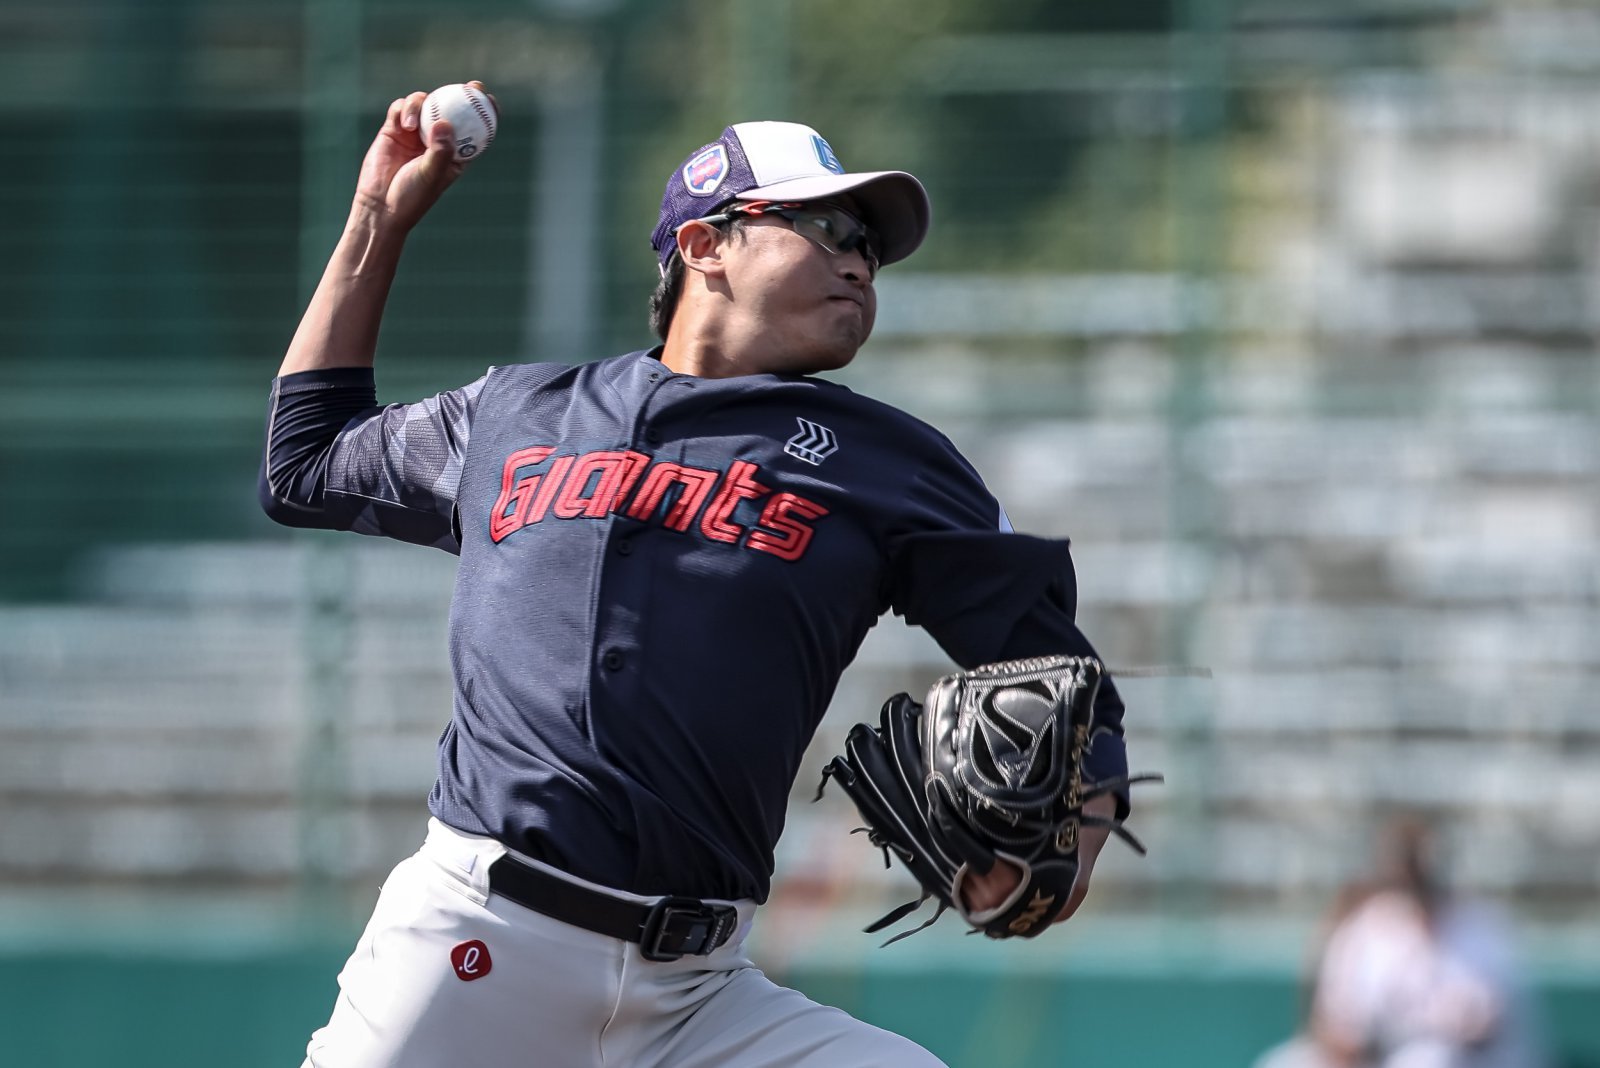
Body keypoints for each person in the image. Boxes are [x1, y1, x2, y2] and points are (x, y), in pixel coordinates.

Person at [260, 83, 1133, 1067]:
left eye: (872, 249)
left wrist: (1082, 813)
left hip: (697, 999)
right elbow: (304, 465)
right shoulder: (517, 413)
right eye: (829, 224)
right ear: (703, 243)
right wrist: (378, 218)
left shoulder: (894, 464)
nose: (859, 259)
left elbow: (1050, 667)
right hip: (477, 949)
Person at [1255, 817, 1547, 1068]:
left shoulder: (1484, 926)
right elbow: (1335, 1028)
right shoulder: (1369, 926)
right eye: (1408, 871)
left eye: (1423, 871)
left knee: (1429, 1059)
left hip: (1474, 1062)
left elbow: (1492, 1030)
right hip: (1380, 1058)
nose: (1416, 882)